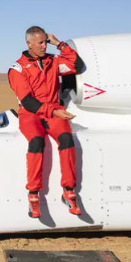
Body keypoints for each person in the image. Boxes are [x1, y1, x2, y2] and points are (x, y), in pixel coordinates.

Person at [7, 26, 82, 218]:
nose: (44, 46)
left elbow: (76, 65)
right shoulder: (17, 69)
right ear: (29, 43)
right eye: (40, 43)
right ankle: (33, 193)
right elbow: (28, 102)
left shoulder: (53, 62)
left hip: (52, 112)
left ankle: (68, 190)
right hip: (30, 114)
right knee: (37, 141)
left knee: (66, 138)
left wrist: (60, 44)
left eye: (45, 42)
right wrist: (55, 110)